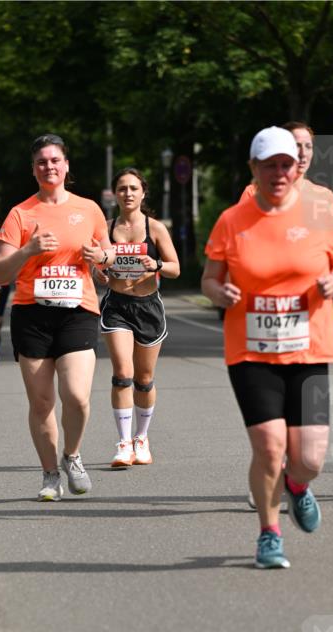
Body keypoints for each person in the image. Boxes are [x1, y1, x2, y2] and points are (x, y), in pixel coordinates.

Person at [202, 126, 333, 568]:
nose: (279, 172)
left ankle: (298, 486)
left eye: (286, 163)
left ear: (297, 166)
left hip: (309, 347)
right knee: (269, 446)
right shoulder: (233, 220)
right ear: (254, 168)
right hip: (251, 349)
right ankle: (269, 534)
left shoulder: (319, 213)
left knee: (308, 458)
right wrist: (218, 293)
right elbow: (210, 277)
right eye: (269, 164)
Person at [0, 133, 115, 500]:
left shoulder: (89, 209)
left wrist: (101, 260)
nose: (49, 166)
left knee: (76, 395)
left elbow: (107, 262)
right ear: (34, 169)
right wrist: (27, 250)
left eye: (55, 160)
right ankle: (49, 475)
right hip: (32, 313)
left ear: (66, 165)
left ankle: (72, 456)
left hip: (78, 310)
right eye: (42, 161)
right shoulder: (21, 214)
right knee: (42, 402)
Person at [242, 122, 333, 510]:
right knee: (271, 423)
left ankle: (293, 476)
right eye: (296, 146)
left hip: (311, 325)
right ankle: (269, 469)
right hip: (264, 326)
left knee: (305, 435)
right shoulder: (253, 195)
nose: (302, 154)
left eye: (308, 147)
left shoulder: (323, 198)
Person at [96, 168, 180, 467]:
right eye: (122, 188)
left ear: (143, 193)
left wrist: (155, 263)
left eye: (133, 188)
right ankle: (123, 444)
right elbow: (97, 264)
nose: (128, 193)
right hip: (117, 306)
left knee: (143, 380)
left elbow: (175, 267)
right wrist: (101, 273)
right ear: (115, 194)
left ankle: (141, 438)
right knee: (122, 374)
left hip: (148, 308)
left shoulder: (155, 228)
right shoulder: (105, 228)